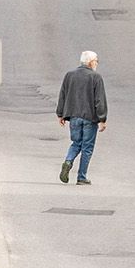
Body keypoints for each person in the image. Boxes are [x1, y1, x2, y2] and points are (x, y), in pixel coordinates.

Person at [56, 49, 109, 185]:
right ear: (91, 62)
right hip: (89, 118)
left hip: (73, 116)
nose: (97, 63)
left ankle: (68, 161)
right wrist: (102, 119)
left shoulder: (70, 75)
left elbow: (63, 94)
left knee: (76, 143)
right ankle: (81, 177)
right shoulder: (95, 77)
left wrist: (60, 114)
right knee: (87, 147)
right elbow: (99, 100)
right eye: (96, 61)